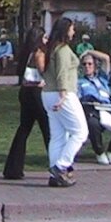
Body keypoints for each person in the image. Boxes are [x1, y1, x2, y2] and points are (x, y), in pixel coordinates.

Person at [2, 26, 52, 180]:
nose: (47, 40)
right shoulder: (38, 53)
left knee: (24, 128)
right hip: (36, 92)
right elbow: (44, 71)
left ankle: (13, 168)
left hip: (26, 91)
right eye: (44, 37)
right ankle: (58, 165)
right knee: (47, 129)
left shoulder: (27, 53)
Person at [42, 17, 86, 187]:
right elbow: (61, 74)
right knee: (80, 132)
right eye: (72, 29)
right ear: (65, 30)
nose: (73, 32)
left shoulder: (51, 49)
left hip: (47, 94)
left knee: (58, 136)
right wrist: (63, 96)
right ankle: (60, 167)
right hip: (63, 94)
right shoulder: (62, 50)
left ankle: (55, 176)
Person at [78, 50, 111, 165]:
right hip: (92, 109)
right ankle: (100, 152)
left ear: (95, 65)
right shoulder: (79, 82)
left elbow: (106, 58)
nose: (87, 66)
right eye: (84, 64)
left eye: (90, 64)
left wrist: (88, 51)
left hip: (107, 108)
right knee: (92, 124)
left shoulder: (102, 78)